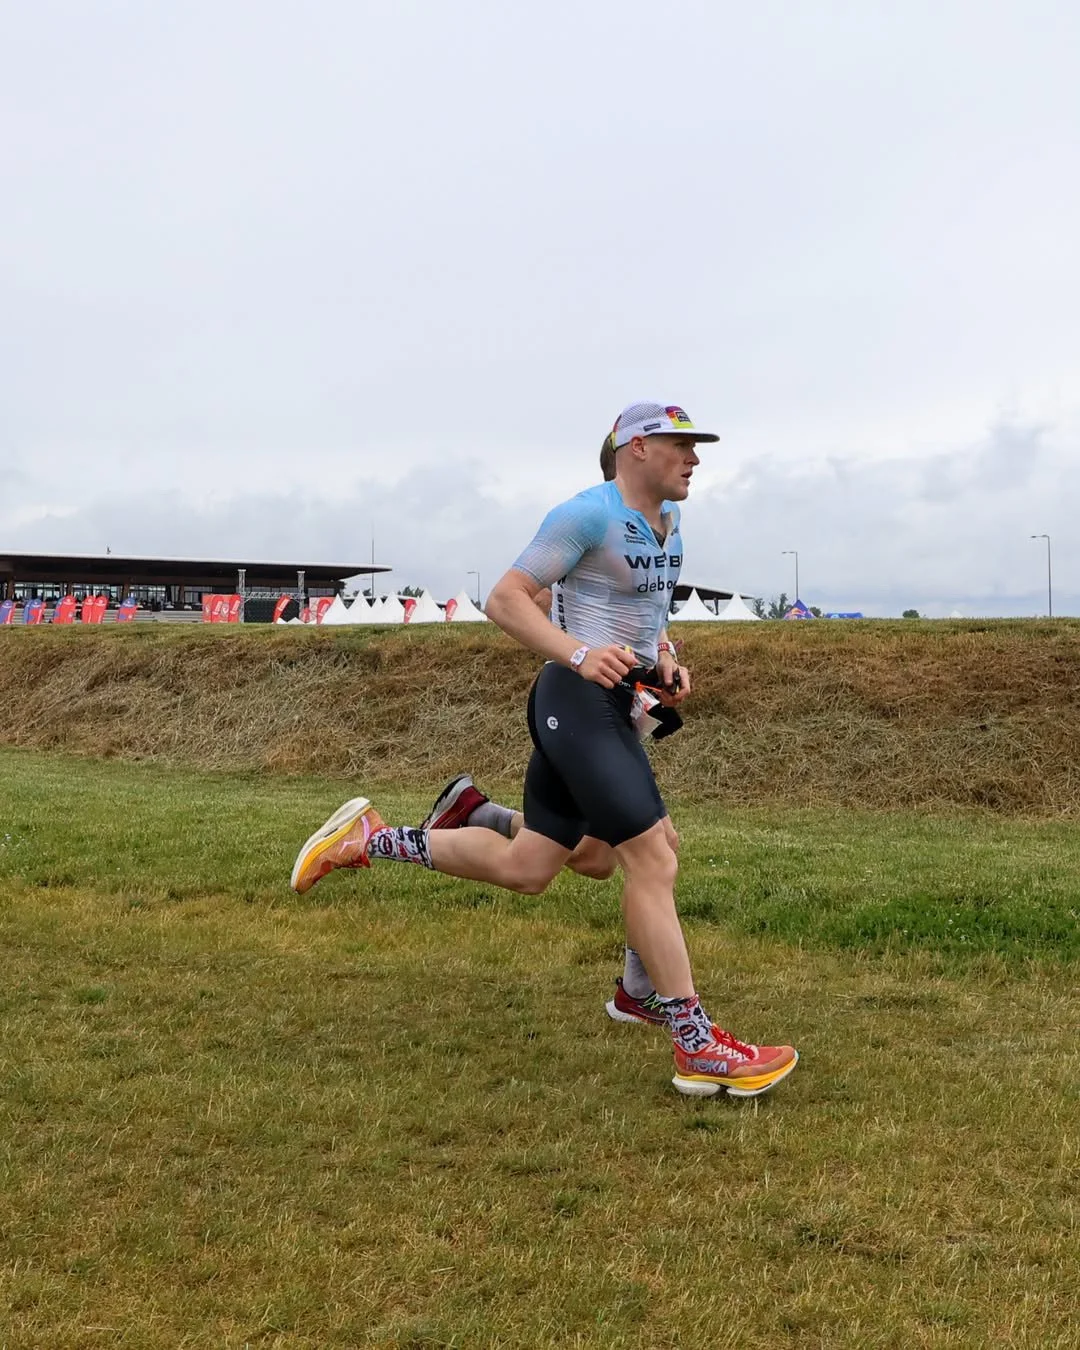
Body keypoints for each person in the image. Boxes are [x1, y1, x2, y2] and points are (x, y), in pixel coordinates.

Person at [291, 401, 798, 1098]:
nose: (695, 458)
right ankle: (696, 1043)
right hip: (573, 701)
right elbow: (506, 599)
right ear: (636, 448)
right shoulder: (585, 516)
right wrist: (580, 654)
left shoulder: (670, 526)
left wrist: (667, 663)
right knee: (654, 852)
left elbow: (648, 620)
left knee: (545, 866)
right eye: (681, 444)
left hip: (612, 707)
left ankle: (371, 839)